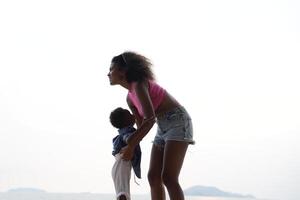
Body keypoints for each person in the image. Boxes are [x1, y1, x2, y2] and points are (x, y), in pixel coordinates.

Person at [107, 51, 195, 200]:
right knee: (153, 176)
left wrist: (131, 145)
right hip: (162, 126)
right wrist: (130, 146)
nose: (108, 74)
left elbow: (149, 119)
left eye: (111, 69)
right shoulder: (129, 98)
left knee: (168, 177)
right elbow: (141, 124)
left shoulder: (140, 85)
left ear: (122, 71)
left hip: (178, 121)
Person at [110, 107, 142, 200]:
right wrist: (130, 142)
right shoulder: (127, 131)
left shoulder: (125, 131)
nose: (133, 115)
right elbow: (129, 138)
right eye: (130, 114)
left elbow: (140, 130)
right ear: (126, 121)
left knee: (122, 192)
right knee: (123, 194)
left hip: (120, 164)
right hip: (122, 164)